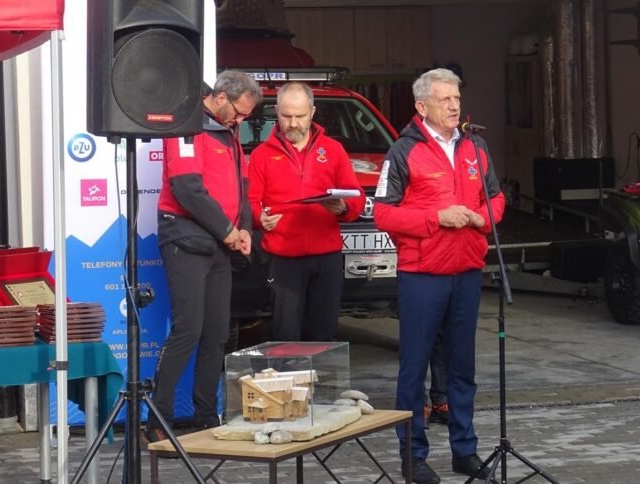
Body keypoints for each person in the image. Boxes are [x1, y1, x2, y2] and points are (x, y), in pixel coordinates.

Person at [374, 68, 505, 483]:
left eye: (457, 98)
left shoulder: (475, 146)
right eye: (444, 99)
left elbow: (497, 198)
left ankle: (465, 450)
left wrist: (480, 217)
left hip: (467, 270)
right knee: (414, 369)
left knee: (462, 367)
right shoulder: (402, 151)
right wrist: (437, 218)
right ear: (422, 106)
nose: (454, 106)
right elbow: (383, 214)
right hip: (422, 275)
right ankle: (413, 457)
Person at [145, 70, 262, 442]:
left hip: (219, 244)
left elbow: (241, 189)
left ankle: (206, 415)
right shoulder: (186, 126)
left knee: (216, 334)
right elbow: (186, 188)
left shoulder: (228, 133)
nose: (240, 121)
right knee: (188, 330)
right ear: (222, 97)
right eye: (239, 113)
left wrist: (244, 228)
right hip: (186, 239)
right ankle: (158, 418)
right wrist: (228, 231)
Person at [248, 81, 364, 342]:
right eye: (286, 116)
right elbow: (250, 202)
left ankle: (320, 371)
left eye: (300, 116)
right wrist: (259, 218)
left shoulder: (333, 150)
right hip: (283, 257)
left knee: (324, 333)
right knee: (285, 334)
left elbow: (356, 197)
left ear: (312, 112)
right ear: (276, 112)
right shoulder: (261, 155)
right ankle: (287, 370)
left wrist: (343, 208)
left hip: (327, 256)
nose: (293, 123)